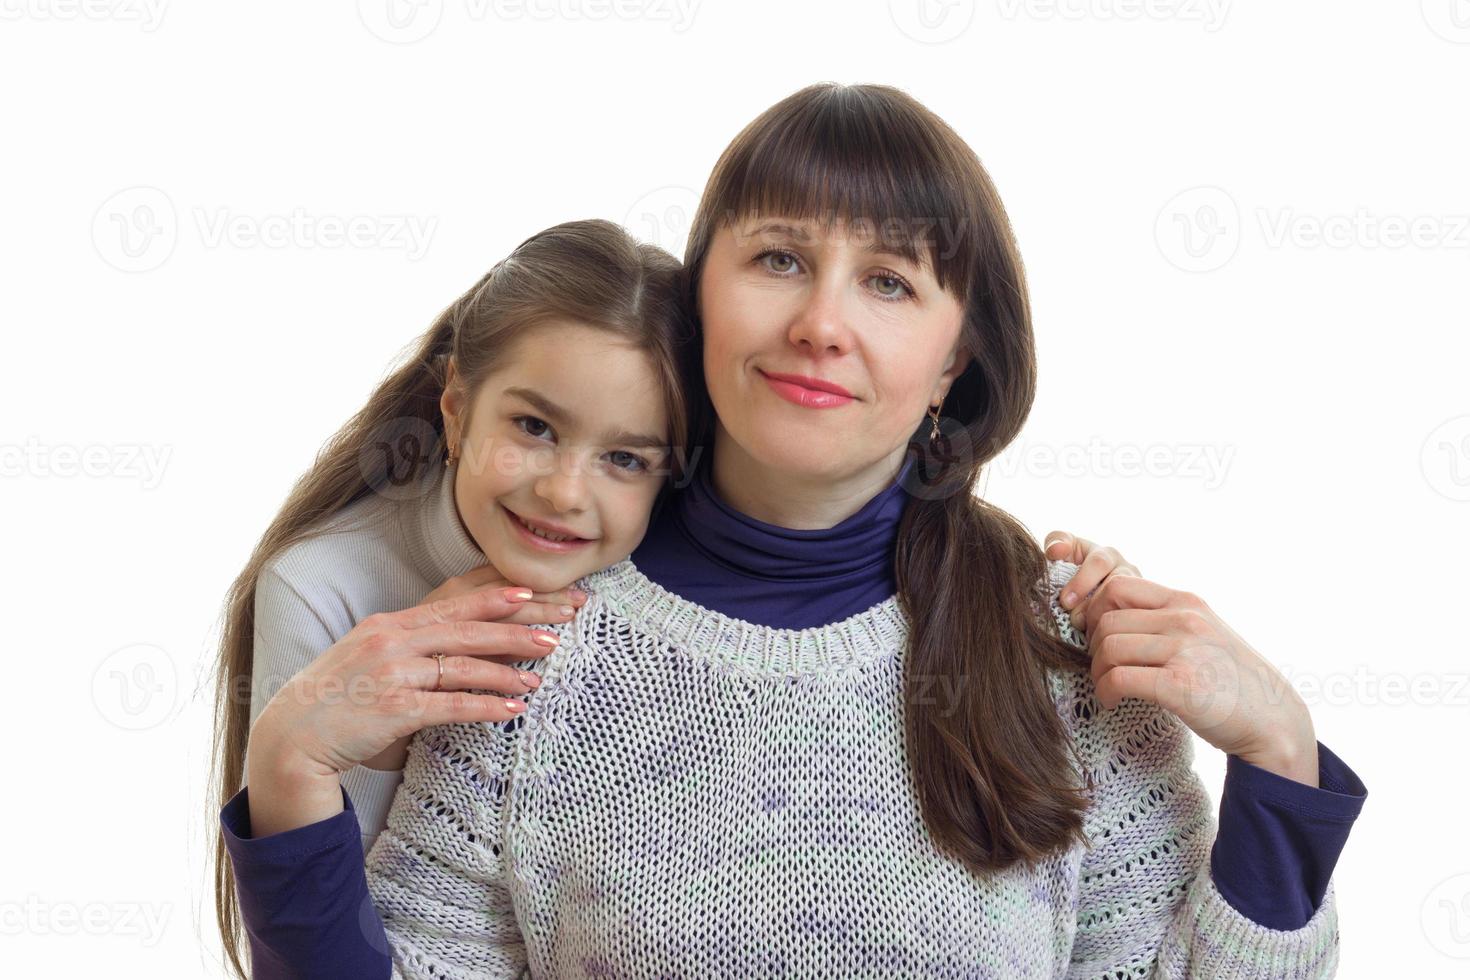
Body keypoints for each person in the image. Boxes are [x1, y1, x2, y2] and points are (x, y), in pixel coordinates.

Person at [216, 84, 1366, 979]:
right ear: (699, 292)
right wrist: (289, 765)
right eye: (778, 258)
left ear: (955, 360)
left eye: (891, 282)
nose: (821, 322)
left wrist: (1280, 758)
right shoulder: (525, 647)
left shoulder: (1064, 653)